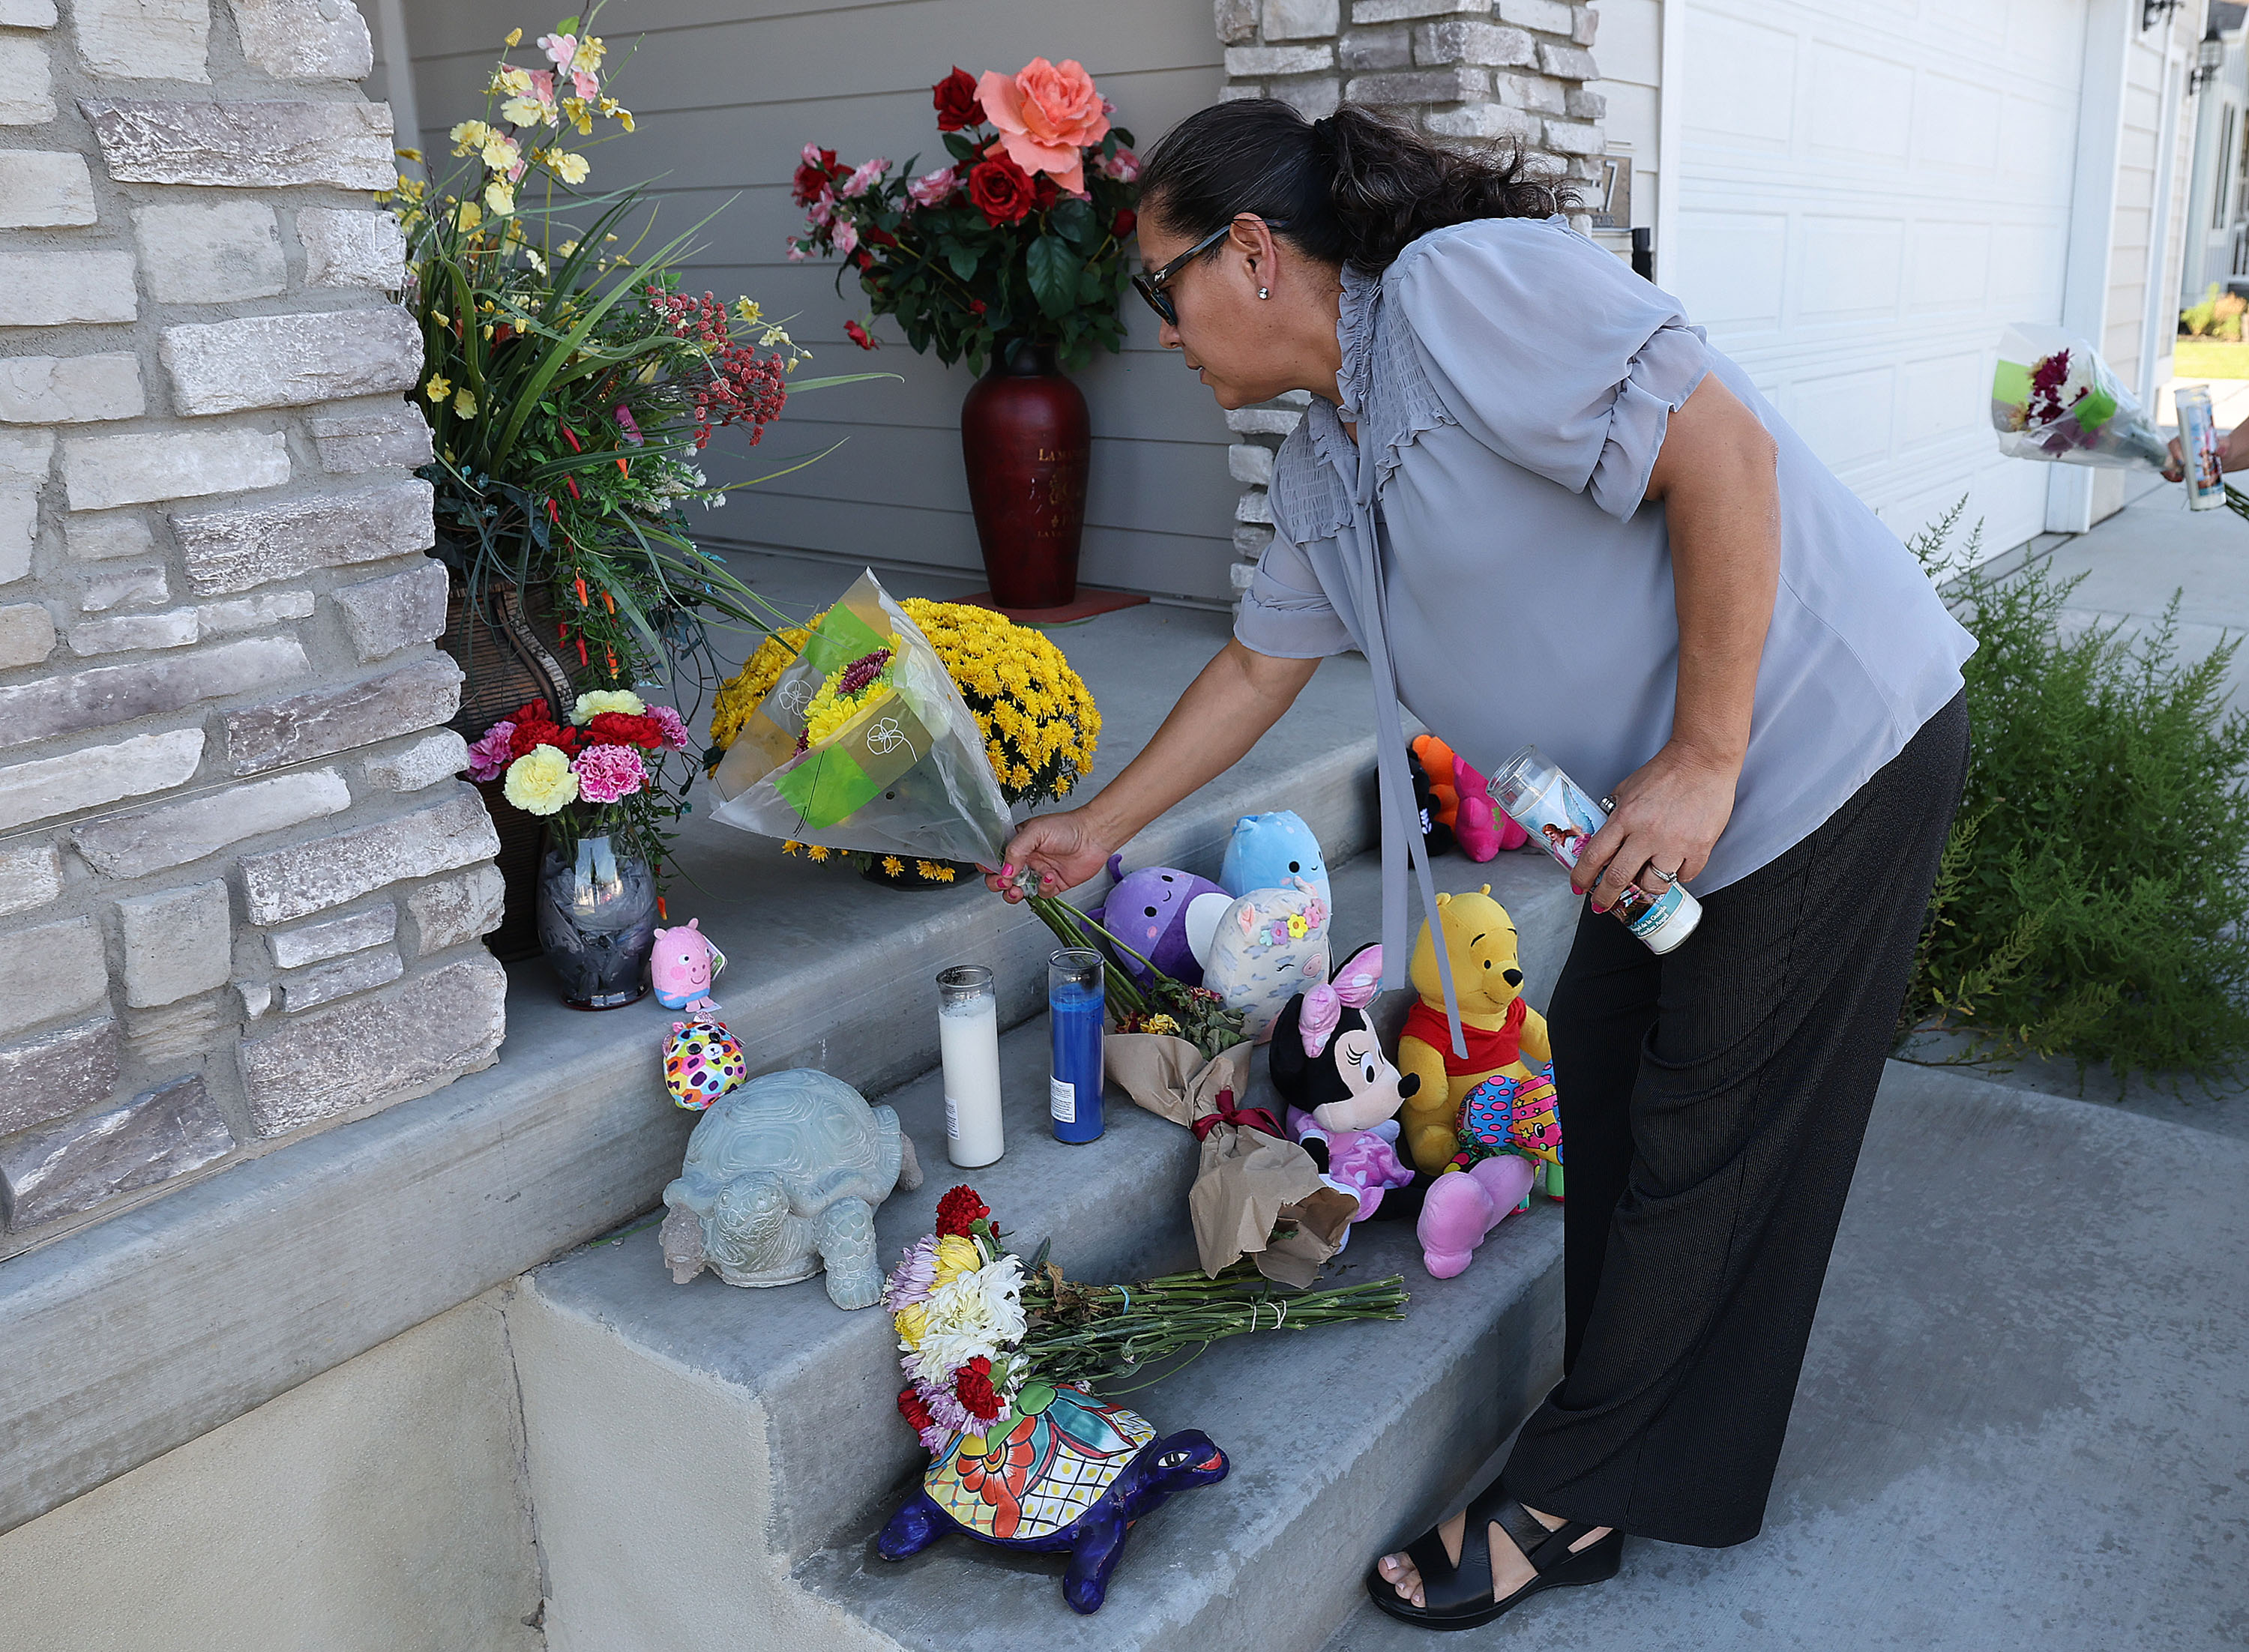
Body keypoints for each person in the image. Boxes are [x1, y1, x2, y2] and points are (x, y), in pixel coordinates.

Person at [984, 100, 1975, 1631]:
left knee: (1710, 1122)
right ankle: (1643, 1452)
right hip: (1664, 827)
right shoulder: (1328, 453)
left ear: (1250, 254)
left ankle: (1565, 1503)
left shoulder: (1458, 296)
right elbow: (1259, 669)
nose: (1163, 335)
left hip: (1819, 747)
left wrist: (1705, 756)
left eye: (1159, 286)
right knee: (1610, 1053)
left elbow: (1724, 452)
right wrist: (1099, 827)